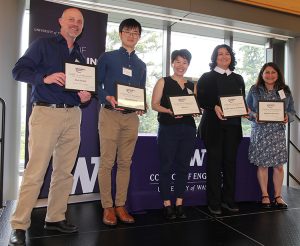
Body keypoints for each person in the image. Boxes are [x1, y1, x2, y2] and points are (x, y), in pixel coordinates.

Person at [9, 8, 91, 246]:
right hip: (46, 113)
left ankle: (55, 218)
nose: (75, 24)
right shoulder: (42, 44)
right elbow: (18, 71)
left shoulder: (79, 56)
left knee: (64, 172)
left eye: (79, 21)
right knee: (35, 172)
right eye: (71, 20)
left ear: (82, 27)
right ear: (60, 22)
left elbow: (77, 93)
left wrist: (84, 98)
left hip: (72, 115)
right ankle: (19, 225)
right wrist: (43, 77)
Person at [97, 18, 146, 226]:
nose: (131, 35)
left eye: (135, 33)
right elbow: (95, 84)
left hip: (131, 118)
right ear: (120, 34)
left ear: (139, 37)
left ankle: (120, 205)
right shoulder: (107, 57)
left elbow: (140, 91)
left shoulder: (141, 65)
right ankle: (107, 206)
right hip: (109, 114)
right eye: (128, 31)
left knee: (125, 163)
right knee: (107, 162)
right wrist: (106, 97)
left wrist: (141, 105)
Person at [197, 44, 245, 215]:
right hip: (213, 126)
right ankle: (214, 202)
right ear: (214, 58)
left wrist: (245, 110)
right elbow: (200, 100)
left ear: (231, 57)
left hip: (233, 127)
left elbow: (242, 101)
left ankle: (228, 200)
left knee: (230, 163)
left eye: (227, 54)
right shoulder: (207, 77)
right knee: (215, 164)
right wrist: (213, 106)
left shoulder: (238, 78)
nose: (224, 57)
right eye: (220, 54)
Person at [151, 49, 197, 220]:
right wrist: (169, 111)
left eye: (184, 62)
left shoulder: (193, 85)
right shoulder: (163, 81)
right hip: (168, 128)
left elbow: (195, 105)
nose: (181, 65)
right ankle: (167, 204)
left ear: (188, 65)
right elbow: (154, 104)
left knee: (183, 167)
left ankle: (179, 203)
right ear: (172, 63)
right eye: (177, 61)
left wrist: (195, 111)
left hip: (189, 129)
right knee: (166, 166)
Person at [246, 62, 295, 209]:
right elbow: (246, 109)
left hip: (277, 133)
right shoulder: (254, 90)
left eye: (273, 72)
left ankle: (278, 196)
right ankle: (265, 195)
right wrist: (255, 115)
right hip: (260, 132)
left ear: (278, 74)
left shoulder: (285, 90)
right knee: (262, 165)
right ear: (262, 74)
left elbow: (292, 110)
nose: (270, 75)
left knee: (278, 166)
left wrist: (287, 116)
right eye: (267, 72)